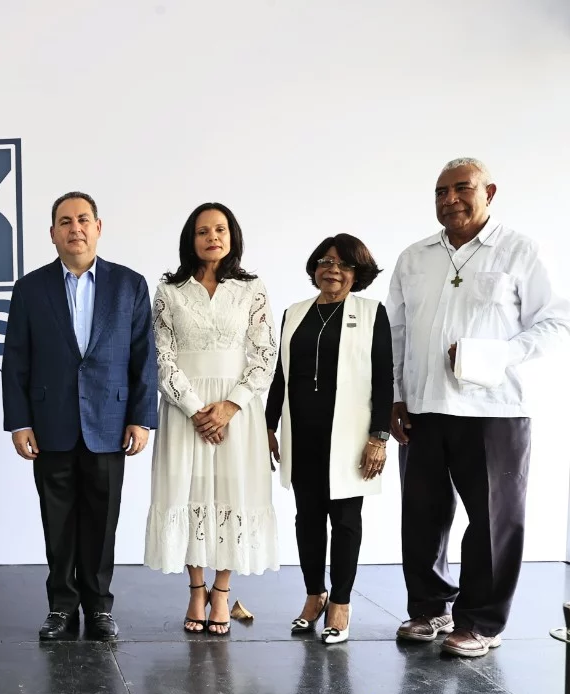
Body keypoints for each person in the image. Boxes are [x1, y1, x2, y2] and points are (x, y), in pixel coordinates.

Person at [388, 157, 570, 658]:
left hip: (494, 409)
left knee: (493, 521)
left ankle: (481, 623)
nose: (450, 199)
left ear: (489, 192)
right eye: (440, 191)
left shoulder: (520, 251)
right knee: (421, 517)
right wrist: (396, 396)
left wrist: (489, 356)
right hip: (423, 406)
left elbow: (555, 323)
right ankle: (429, 608)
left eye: (461, 188)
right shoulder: (414, 257)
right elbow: (397, 332)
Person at [2, 191, 157, 642]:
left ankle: (99, 606)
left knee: (102, 523)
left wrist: (141, 417)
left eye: (83, 220)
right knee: (58, 523)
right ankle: (61, 606)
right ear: (52, 233)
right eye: (66, 222)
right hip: (51, 424)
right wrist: (20, 422)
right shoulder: (30, 289)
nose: (76, 229)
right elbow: (16, 359)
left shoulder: (129, 285)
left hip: (110, 423)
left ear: (98, 227)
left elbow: (144, 357)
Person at [144, 202, 278, 635]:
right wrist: (194, 408)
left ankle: (222, 591)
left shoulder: (252, 288)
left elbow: (265, 354)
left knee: (231, 494)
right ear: (191, 239)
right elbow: (161, 357)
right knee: (189, 492)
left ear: (232, 236)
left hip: (237, 411)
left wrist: (230, 406)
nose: (212, 237)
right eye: (203, 231)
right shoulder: (169, 290)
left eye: (220, 229)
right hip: (186, 410)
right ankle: (196, 588)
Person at [265, 234, 392, 645]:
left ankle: (340, 603)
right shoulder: (295, 313)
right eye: (324, 261)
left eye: (343, 264)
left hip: (350, 437)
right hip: (302, 433)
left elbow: (384, 378)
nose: (332, 269)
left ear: (358, 272)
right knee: (307, 518)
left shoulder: (372, 313)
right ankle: (313, 595)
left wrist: (379, 437)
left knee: (346, 520)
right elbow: (281, 375)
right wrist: (268, 425)